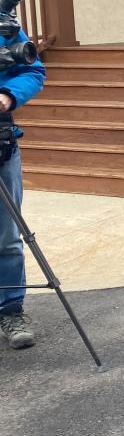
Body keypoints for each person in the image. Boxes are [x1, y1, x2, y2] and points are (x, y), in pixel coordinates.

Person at [0, 20, 45, 350]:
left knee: (7, 236)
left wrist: (8, 96)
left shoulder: (5, 30)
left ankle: (11, 310)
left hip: (3, 146)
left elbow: (33, 70)